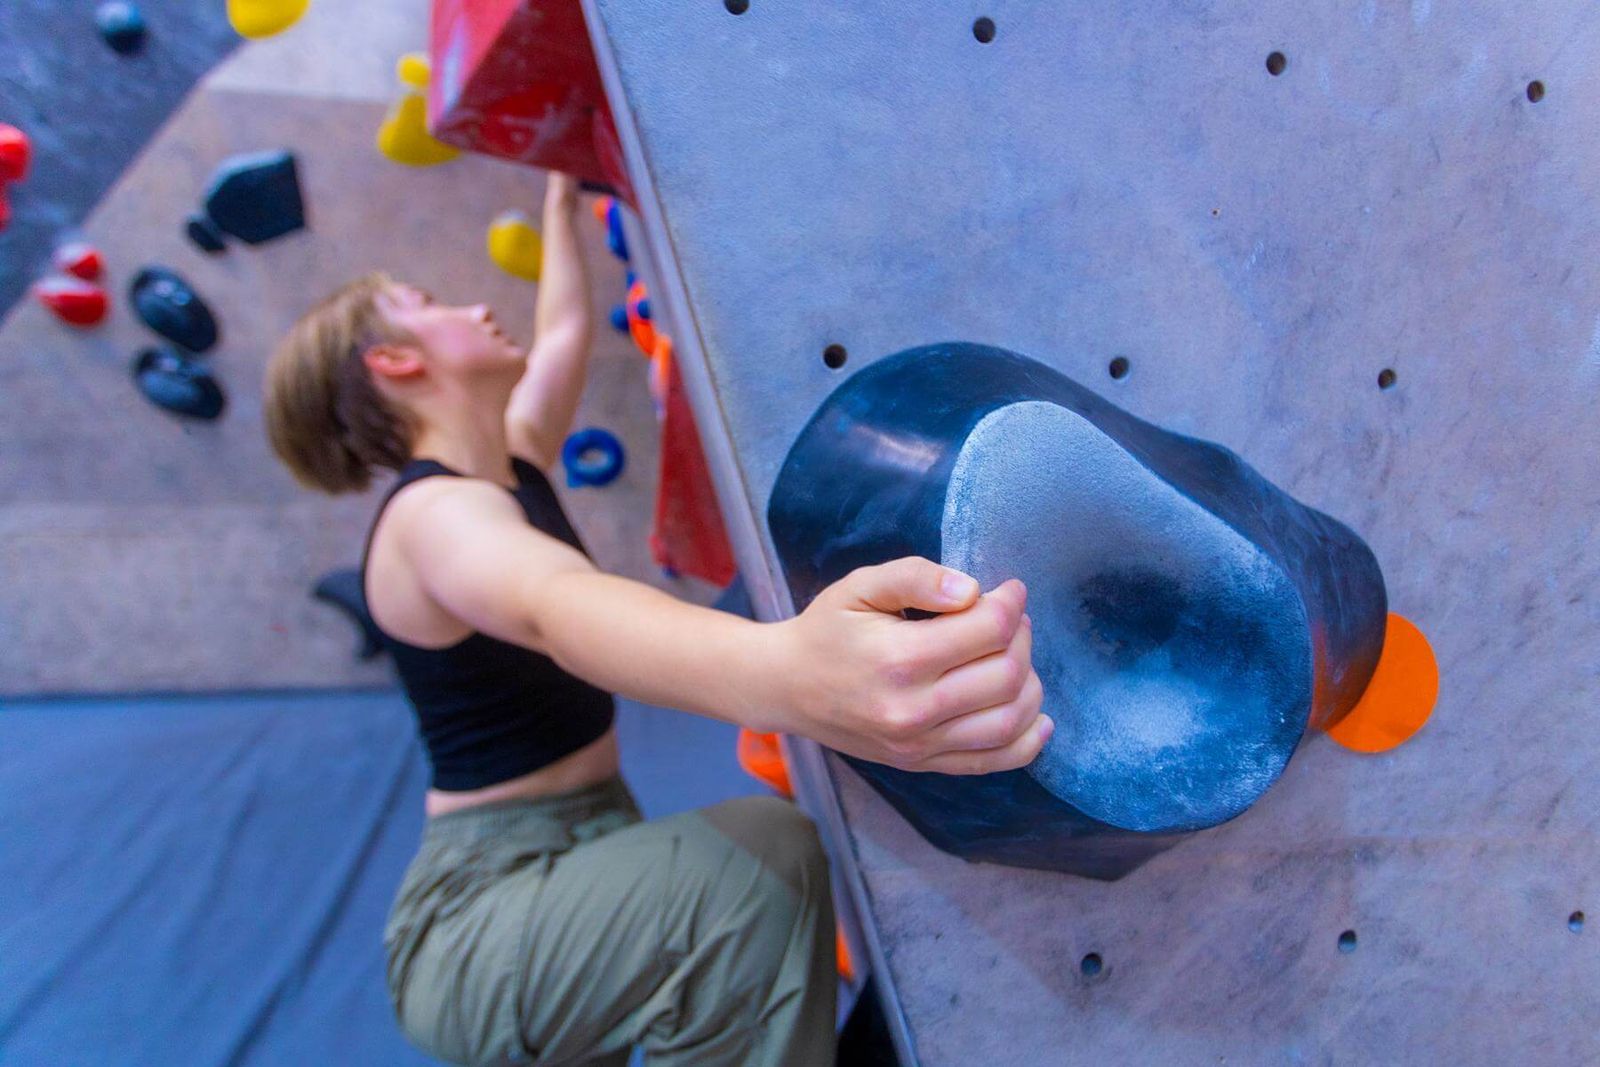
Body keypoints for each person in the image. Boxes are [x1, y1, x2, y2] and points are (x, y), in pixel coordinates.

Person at [263, 172, 1050, 1067]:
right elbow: (552, 605)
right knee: (756, 866)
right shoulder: (431, 517)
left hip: (580, 851)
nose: (472, 306)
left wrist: (562, 204)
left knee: (746, 883)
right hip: (484, 912)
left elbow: (562, 330)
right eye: (428, 304)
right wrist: (789, 670)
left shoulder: (510, 460)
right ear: (394, 362)